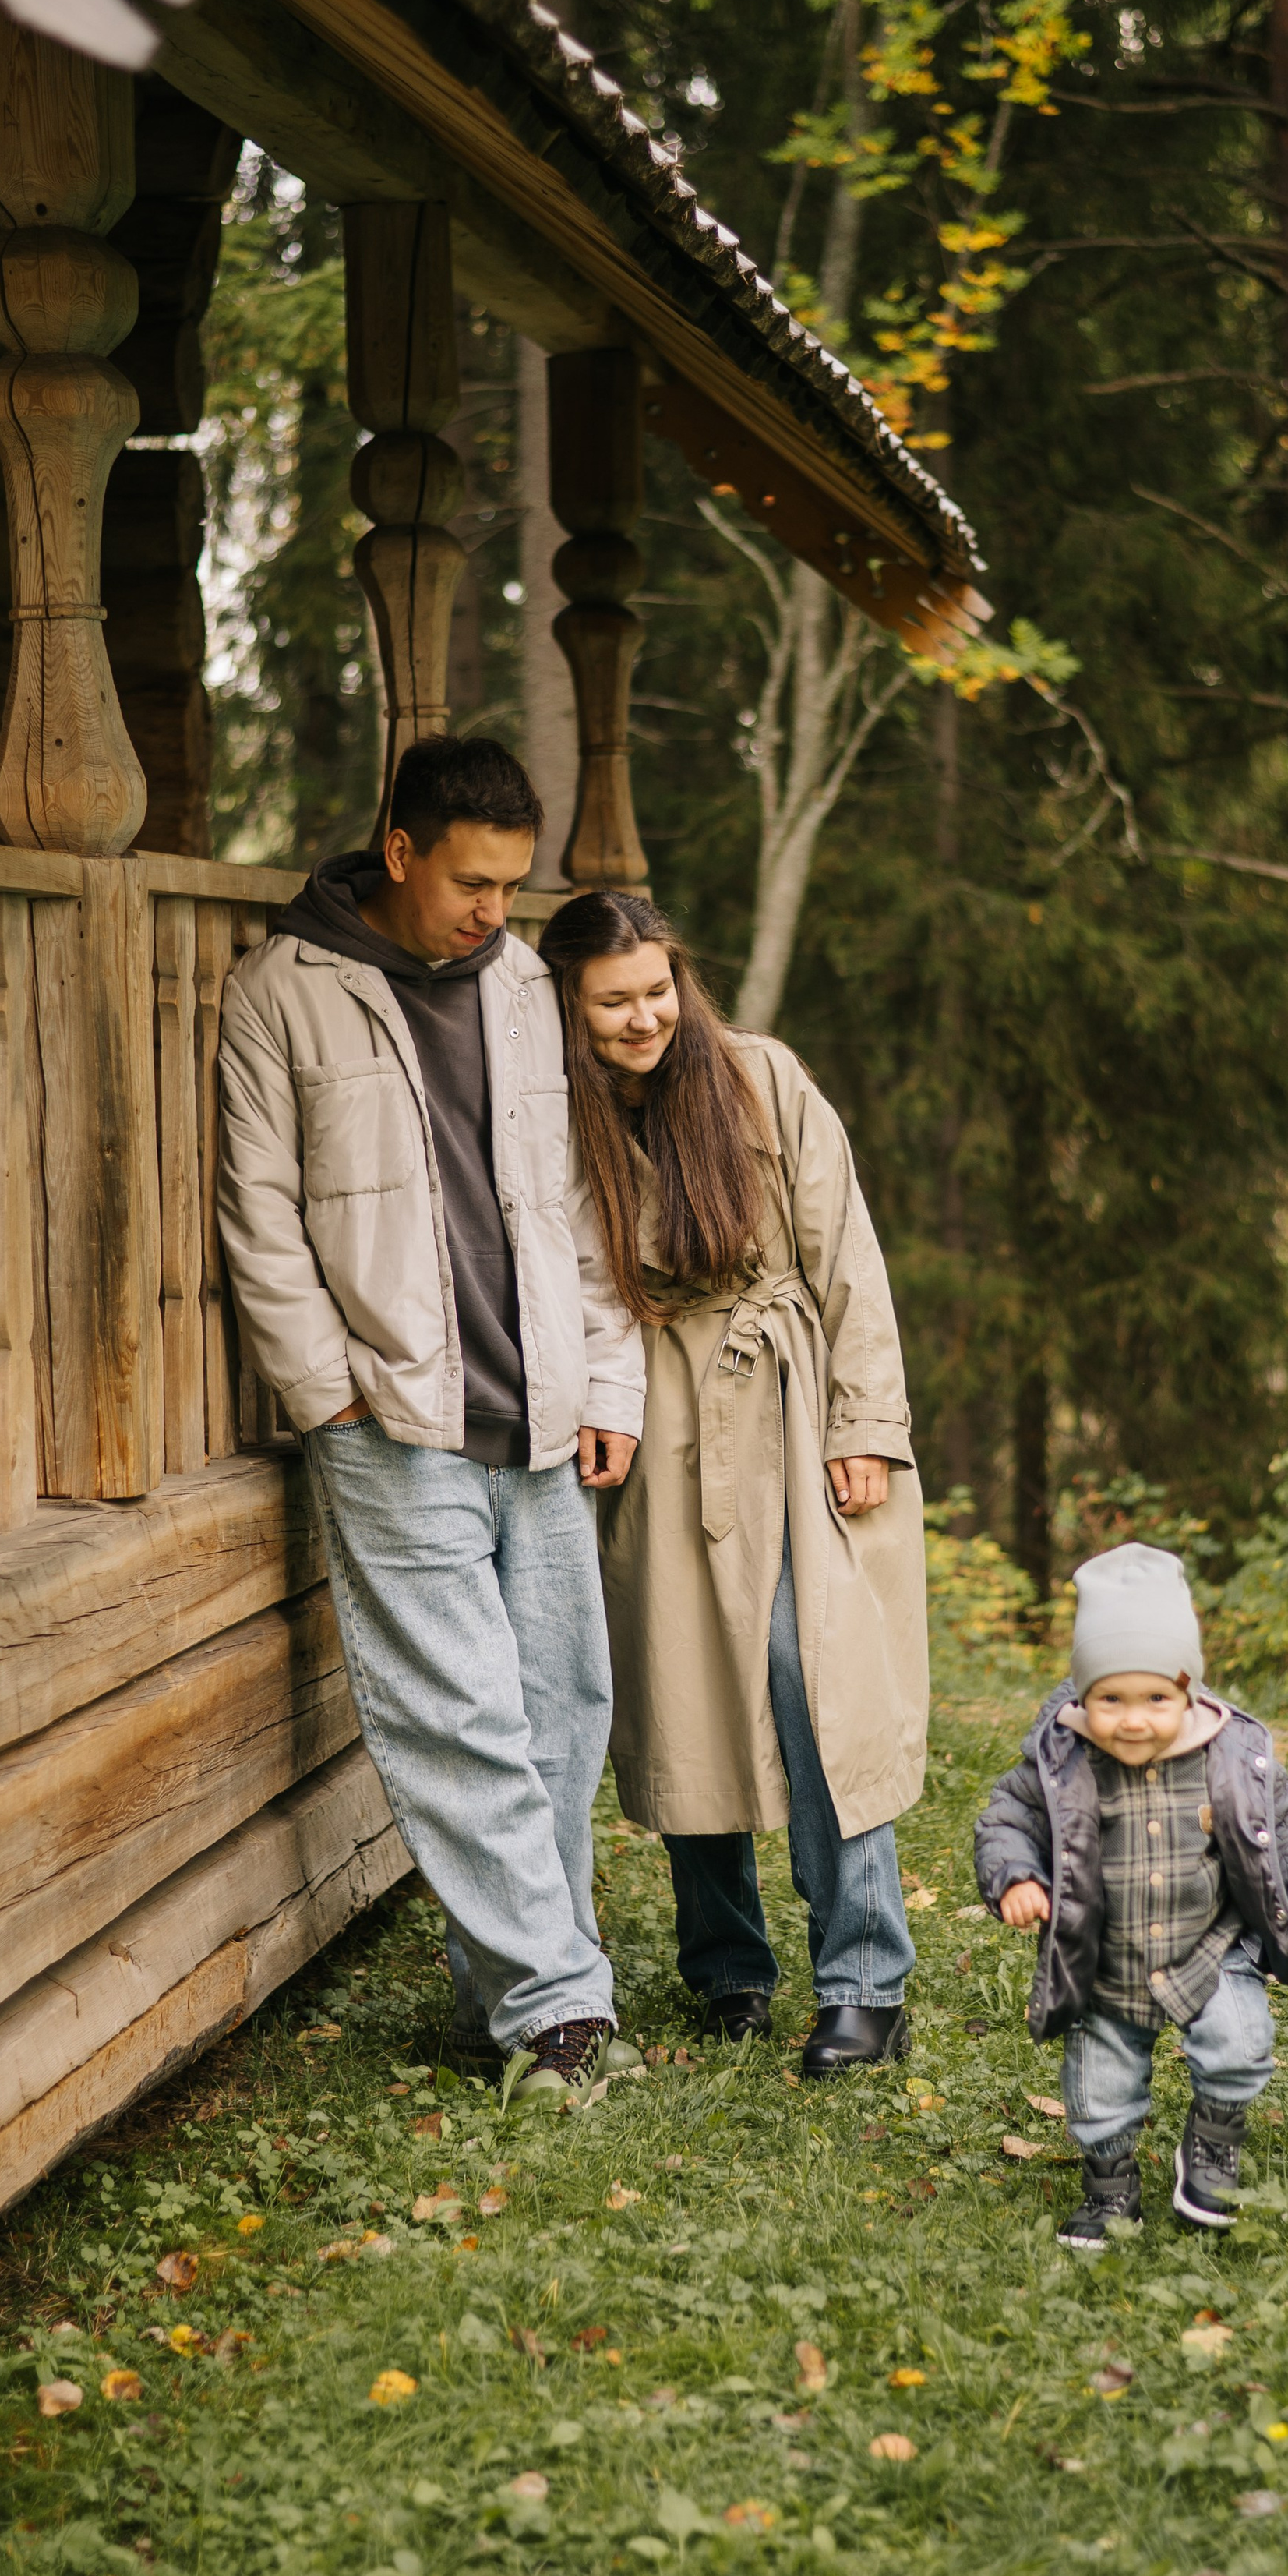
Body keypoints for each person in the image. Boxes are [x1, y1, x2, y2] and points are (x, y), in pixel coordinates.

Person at [217, 737, 646, 2106]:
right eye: (472, 880)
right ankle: (561, 2008)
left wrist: (612, 1376)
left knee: (564, 1705)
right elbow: (260, 1212)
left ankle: (509, 1994)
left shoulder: (525, 983)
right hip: (393, 1412)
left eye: (512, 885)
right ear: (398, 852)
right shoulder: (283, 992)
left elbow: (581, 1192)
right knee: (457, 1713)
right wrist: (324, 1386)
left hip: (543, 1404)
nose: (493, 912)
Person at [535, 889, 928, 2079]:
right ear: (571, 1004)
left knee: (817, 1679)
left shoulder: (759, 1077)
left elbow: (845, 1252)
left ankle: (865, 1979)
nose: (643, 1016)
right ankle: (726, 1971)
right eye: (614, 1002)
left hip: (788, 1395)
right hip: (651, 1408)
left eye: (657, 991)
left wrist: (864, 1422)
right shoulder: (558, 1112)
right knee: (684, 1683)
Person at [974, 1543, 1288, 2246]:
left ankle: (1211, 2146)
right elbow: (1007, 1818)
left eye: (1156, 1698)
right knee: (1100, 2087)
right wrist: (1018, 1877)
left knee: (1241, 2046)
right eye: (1110, 1699)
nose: (1133, 1719)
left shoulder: (1228, 1753)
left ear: (1188, 1693)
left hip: (1209, 1948)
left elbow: (1284, 1820)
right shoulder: (1061, 1758)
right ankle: (1110, 2188)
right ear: (1083, 1695)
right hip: (1104, 1960)